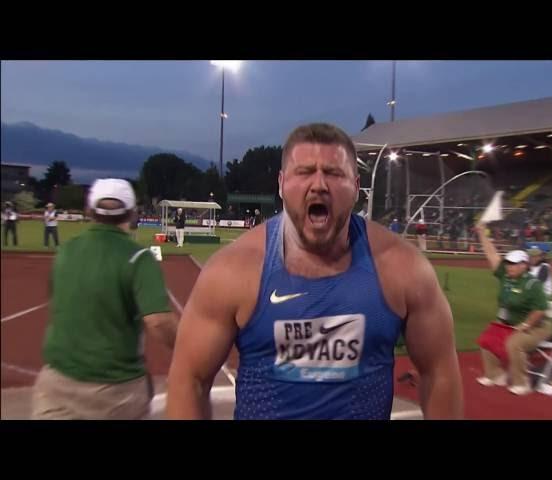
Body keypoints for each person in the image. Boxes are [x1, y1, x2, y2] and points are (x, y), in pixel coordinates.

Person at [167, 123, 463, 420]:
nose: (319, 184)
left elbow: (440, 373)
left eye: (334, 173)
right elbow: (188, 379)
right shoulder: (233, 271)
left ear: (356, 187)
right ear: (282, 184)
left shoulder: (403, 268)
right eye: (305, 172)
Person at [32, 178, 179, 420]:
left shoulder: (66, 250)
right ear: (132, 213)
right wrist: (188, 348)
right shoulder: (138, 258)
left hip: (56, 384)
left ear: (90, 211)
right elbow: (159, 321)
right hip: (116, 390)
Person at [475, 222, 550, 395]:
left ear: (524, 265)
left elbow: (540, 309)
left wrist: (525, 325)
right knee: (487, 339)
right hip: (508, 323)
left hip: (536, 327)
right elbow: (492, 255)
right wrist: (482, 234)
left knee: (514, 343)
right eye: (508, 263)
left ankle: (522, 383)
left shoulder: (532, 284)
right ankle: (495, 374)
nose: (509, 266)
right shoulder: (506, 277)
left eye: (514, 263)